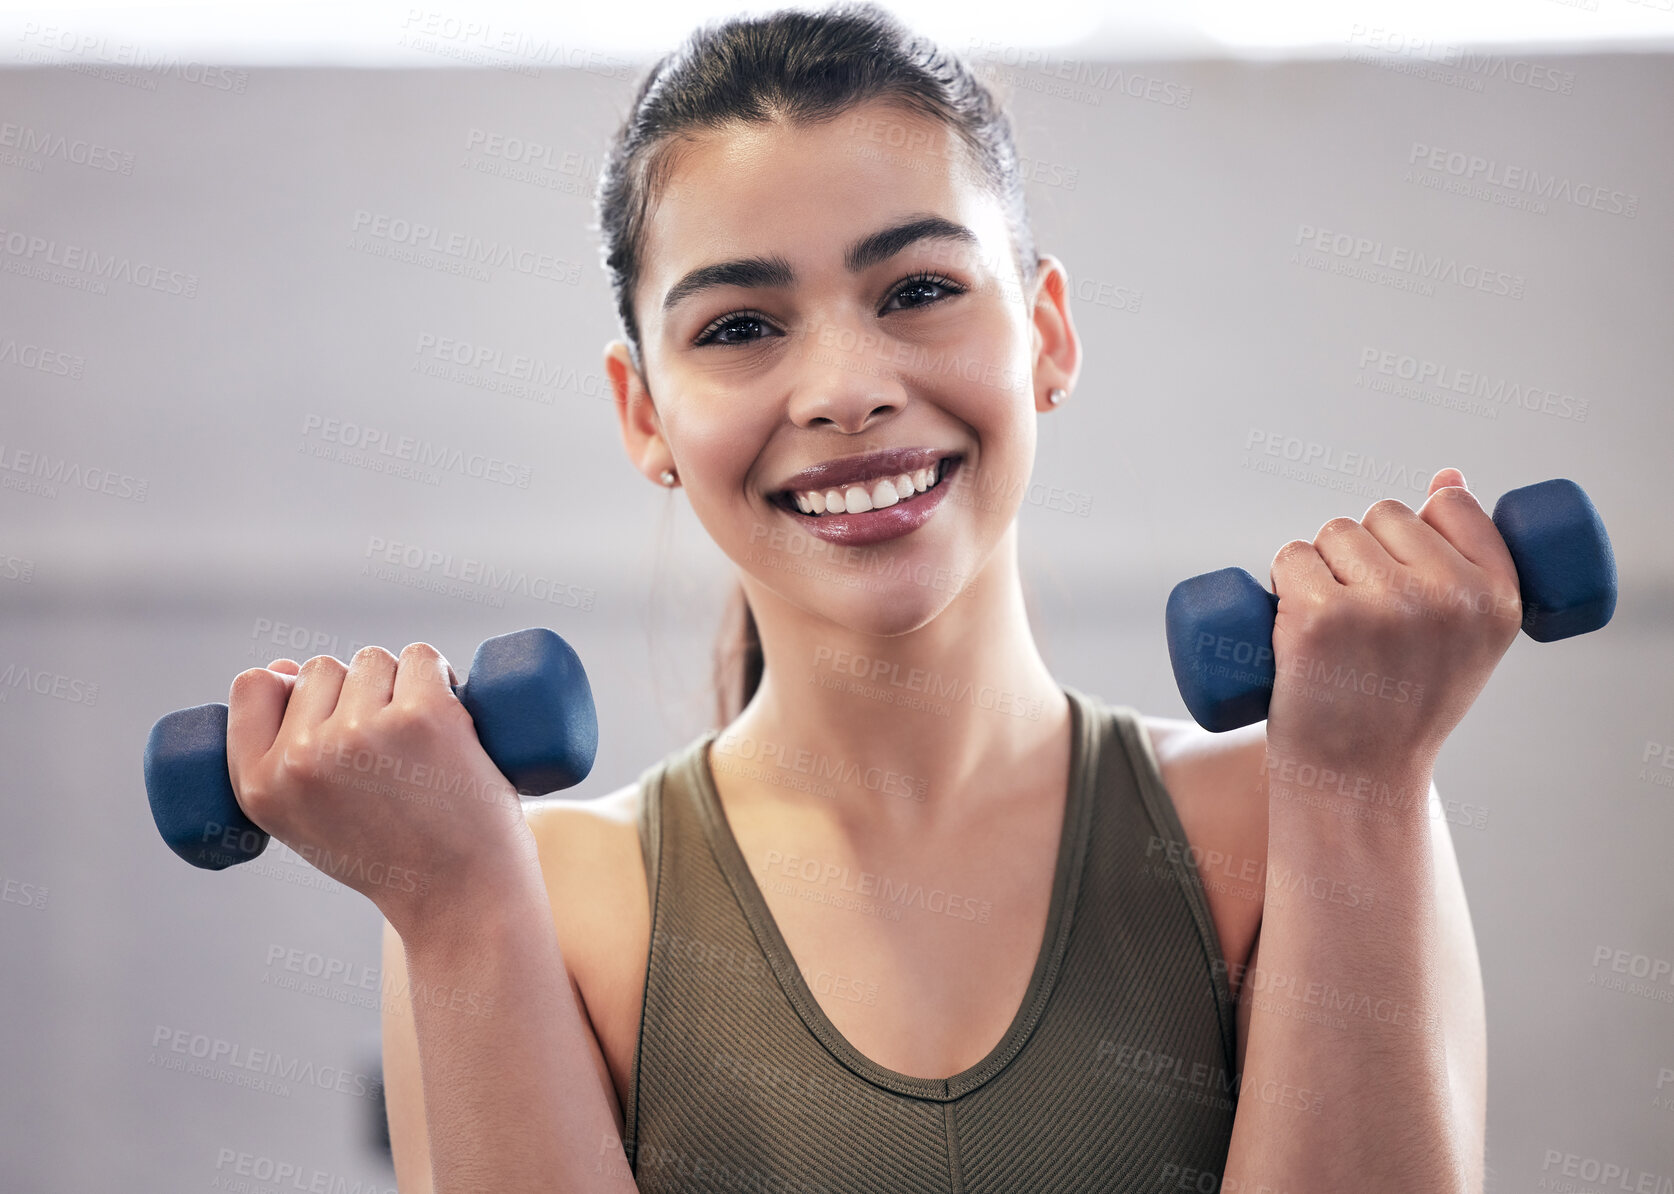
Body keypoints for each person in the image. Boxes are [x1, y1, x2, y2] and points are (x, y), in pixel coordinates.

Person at [230, 3, 1509, 1189]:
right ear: (644, 413)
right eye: (738, 326)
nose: (846, 387)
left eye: (919, 290)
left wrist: (1360, 792)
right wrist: (457, 913)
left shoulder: (1287, 820)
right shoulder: (537, 895)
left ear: (1046, 335)